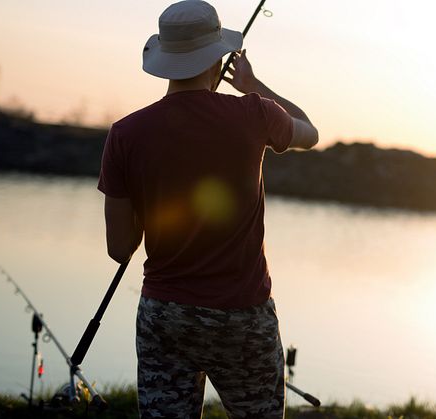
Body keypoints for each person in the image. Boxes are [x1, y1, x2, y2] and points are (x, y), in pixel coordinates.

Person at [97, 1, 318, 418]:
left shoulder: (125, 134)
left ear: (165, 58)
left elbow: (119, 248)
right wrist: (254, 85)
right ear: (217, 57)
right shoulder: (254, 112)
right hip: (243, 316)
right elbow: (310, 131)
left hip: (165, 315)